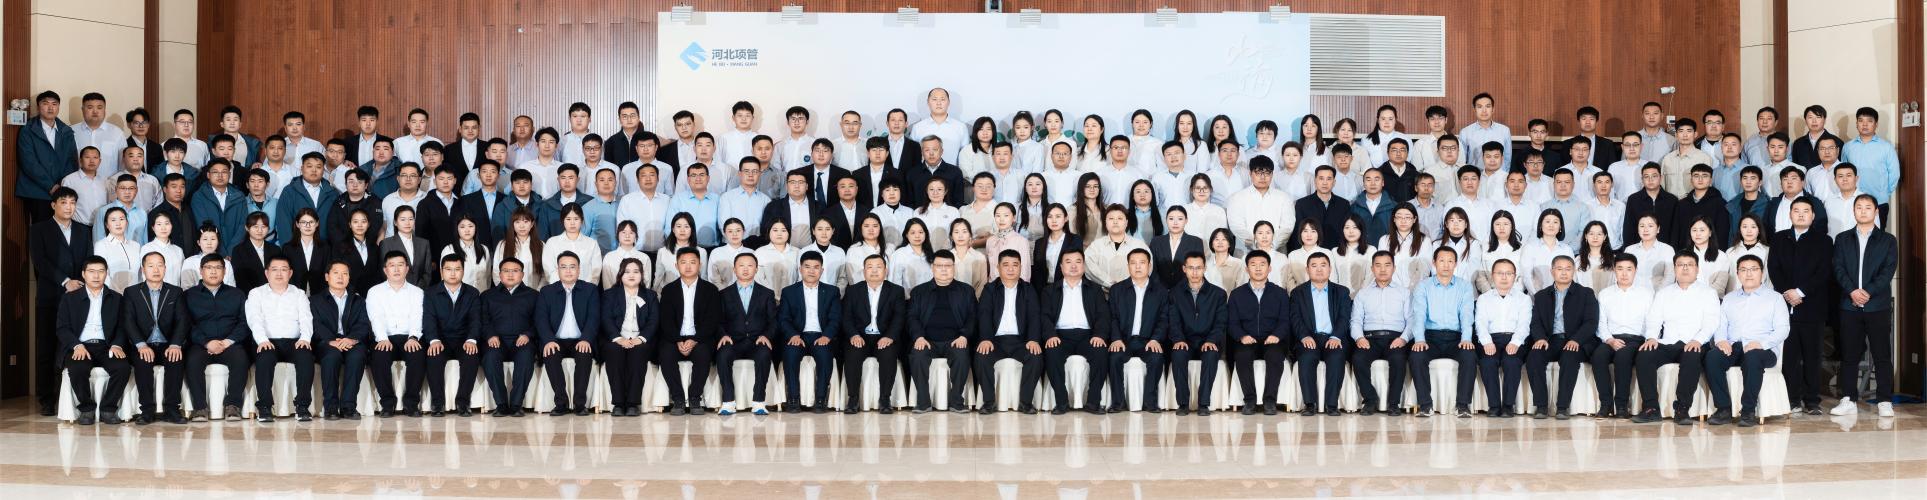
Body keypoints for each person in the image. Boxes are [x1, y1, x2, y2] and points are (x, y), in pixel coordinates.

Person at [1629, 252, 1720, 425]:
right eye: (1680, 265)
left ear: (1697, 269)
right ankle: (1651, 408)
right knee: (1645, 354)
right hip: (1669, 342)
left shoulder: (1708, 293)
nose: (1685, 268)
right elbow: (1654, 319)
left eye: (1689, 264)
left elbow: (1712, 321)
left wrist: (1698, 340)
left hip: (1695, 342)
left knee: (1692, 356)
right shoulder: (1664, 293)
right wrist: (1651, 337)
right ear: (1674, 268)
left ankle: (1682, 409)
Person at [1831, 194, 1897, 417]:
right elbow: (1838, 267)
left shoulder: (1888, 240)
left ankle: (1884, 400)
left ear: (1876, 211)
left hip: (1877, 305)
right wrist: (1852, 291)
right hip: (1849, 305)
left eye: (1868, 207)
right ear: (1854, 211)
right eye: (1858, 207)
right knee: (1849, 354)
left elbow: (1888, 271)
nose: (1863, 211)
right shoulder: (1842, 239)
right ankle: (1848, 398)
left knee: (1882, 354)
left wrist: (1867, 292)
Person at [1704, 255, 1788, 427]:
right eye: (1743, 270)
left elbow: (1783, 329)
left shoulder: (1775, 298)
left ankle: (1748, 410)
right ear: (1738, 274)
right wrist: (1721, 340)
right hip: (1734, 346)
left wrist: (1762, 344)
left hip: (1763, 349)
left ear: (1762, 273)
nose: (1748, 274)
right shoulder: (1730, 298)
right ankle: (1723, 408)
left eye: (1753, 269)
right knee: (1712, 357)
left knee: (1753, 357)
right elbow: (1720, 325)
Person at [1767, 197, 1831, 414]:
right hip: (1785, 306)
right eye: (1796, 210)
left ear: (1813, 216)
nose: (1801, 214)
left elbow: (1824, 272)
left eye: (1806, 211)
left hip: (1812, 306)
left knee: (1813, 356)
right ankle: (1792, 400)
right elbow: (1774, 268)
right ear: (1790, 214)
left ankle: (1812, 401)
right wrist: (1788, 292)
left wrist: (1801, 292)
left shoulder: (1824, 240)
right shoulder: (1779, 238)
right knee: (1790, 356)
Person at [967, 250, 1044, 414]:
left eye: (1015, 265)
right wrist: (985, 338)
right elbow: (984, 315)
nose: (1010, 269)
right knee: (981, 356)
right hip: (995, 341)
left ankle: (1025, 402)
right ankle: (989, 402)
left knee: (1036, 356)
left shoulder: (1028, 289)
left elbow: (1034, 316)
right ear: (998, 267)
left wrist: (1033, 339)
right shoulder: (990, 289)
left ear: (1021, 267)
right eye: (1006, 265)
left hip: (1021, 341)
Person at [55, 256, 129, 425]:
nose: (96, 276)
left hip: (107, 346)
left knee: (122, 368)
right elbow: (62, 328)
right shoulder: (69, 298)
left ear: (106, 273)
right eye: (91, 271)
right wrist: (76, 345)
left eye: (101, 271)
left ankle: (108, 409)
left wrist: (117, 344)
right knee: (77, 368)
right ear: (83, 274)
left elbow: (123, 326)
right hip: (80, 345)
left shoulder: (117, 298)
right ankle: (86, 409)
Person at [1407, 246, 1479, 417]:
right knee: (1416, 356)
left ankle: (1462, 405)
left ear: (1456, 264)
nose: (1446, 265)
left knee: (1470, 356)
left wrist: (1466, 338)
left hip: (1456, 338)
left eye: (1450, 261)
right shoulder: (1423, 286)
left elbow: (1467, 315)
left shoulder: (1464, 286)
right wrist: (1419, 339)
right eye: (1442, 261)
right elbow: (1419, 315)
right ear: (1434, 263)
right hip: (1430, 337)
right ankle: (1425, 405)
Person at [1037, 249, 1110, 415]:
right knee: (1052, 352)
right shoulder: (1049, 290)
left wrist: (1099, 335)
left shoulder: (1094, 289)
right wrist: (1050, 335)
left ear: (1083, 266)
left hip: (1088, 336)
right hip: (1060, 336)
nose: (1073, 266)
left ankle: (1093, 402)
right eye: (1068, 262)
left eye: (1078, 262)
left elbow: (1103, 316)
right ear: (1061, 267)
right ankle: (1061, 402)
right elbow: (1044, 316)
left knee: (1100, 352)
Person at [1525, 256, 1598, 419]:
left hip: (1576, 341)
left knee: (1570, 357)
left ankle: (1562, 407)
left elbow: (1591, 322)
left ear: (1574, 271)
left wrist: (1576, 340)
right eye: (1559, 269)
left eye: (1568, 269)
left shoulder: (1586, 293)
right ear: (1552, 271)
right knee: (1534, 357)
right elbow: (1535, 322)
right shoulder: (1541, 296)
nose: (1564, 273)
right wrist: (1540, 338)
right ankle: (1541, 407)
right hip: (1550, 340)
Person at [244, 254, 315, 422]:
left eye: (284, 270)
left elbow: (306, 318)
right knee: (265, 358)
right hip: (267, 341)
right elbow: (254, 319)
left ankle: (302, 406)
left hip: (294, 342)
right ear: (267, 273)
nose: (279, 274)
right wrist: (262, 340)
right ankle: (265, 407)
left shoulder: (299, 294)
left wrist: (305, 339)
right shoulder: (256, 293)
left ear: (290, 273)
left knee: (306, 356)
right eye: (274, 269)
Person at [121, 252, 189, 424]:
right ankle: (147, 411)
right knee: (142, 362)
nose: (156, 269)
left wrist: (175, 344)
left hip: (168, 344)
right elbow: (128, 321)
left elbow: (182, 320)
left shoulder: (175, 292)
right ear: (143, 269)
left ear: (165, 268)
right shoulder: (131, 292)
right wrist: (141, 345)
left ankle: (172, 409)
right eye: (151, 266)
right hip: (143, 343)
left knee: (176, 360)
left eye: (160, 265)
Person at [907, 250, 976, 413]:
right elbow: (911, 317)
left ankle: (956, 401)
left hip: (955, 340)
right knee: (917, 355)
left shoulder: (966, 291)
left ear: (954, 267)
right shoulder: (919, 291)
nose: (944, 269)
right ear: (932, 268)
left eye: (948, 266)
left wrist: (964, 335)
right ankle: (923, 402)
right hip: (927, 340)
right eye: (939, 266)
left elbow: (972, 317)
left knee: (961, 355)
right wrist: (918, 337)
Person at [183, 254, 249, 421]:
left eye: (218, 268)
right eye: (209, 268)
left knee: (241, 358)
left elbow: (244, 323)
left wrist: (227, 342)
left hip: (230, 343)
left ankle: (233, 405)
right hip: (201, 344)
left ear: (225, 271)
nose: (213, 272)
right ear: (201, 271)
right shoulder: (189, 295)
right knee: (192, 361)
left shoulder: (237, 294)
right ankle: (199, 407)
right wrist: (206, 342)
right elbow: (187, 325)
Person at [534, 251, 599, 416]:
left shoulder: (590, 290)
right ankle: (561, 403)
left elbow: (594, 318)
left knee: (584, 355)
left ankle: (580, 404)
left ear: (579, 269)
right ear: (558, 270)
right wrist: (548, 340)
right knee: (550, 354)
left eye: (572, 267)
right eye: (563, 267)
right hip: (555, 340)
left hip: (581, 339)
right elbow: (541, 319)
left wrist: (586, 339)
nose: (568, 271)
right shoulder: (547, 291)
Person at [364, 251, 429, 418]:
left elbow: (417, 316)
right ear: (385, 270)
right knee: (379, 356)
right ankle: (387, 404)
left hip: (409, 336)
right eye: (392, 265)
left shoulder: (417, 292)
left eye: (400, 265)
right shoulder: (374, 292)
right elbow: (375, 317)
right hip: (385, 337)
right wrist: (382, 338)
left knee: (417, 355)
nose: (396, 269)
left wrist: (413, 337)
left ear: (407, 268)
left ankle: (411, 404)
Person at [1107, 249, 1172, 412]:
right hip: (1124, 340)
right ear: (1128, 266)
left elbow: (1164, 319)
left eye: (1142, 263)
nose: (1137, 267)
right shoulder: (1117, 290)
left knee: (1156, 358)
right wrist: (1116, 338)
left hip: (1148, 340)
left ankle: (1150, 402)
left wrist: (1156, 339)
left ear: (1149, 266)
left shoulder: (1161, 291)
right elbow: (1112, 317)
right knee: (1114, 357)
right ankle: (1117, 403)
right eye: (1133, 263)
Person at [840, 254, 906, 413]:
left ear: (886, 271)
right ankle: (853, 399)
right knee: (852, 354)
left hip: (884, 336)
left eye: (879, 267)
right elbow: (846, 317)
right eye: (870, 267)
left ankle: (885, 399)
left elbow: (899, 317)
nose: (874, 271)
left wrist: (889, 336)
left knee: (888, 355)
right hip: (860, 336)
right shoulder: (853, 290)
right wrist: (854, 335)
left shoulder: (896, 291)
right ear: (864, 271)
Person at [1228, 250, 1289, 415]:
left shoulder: (1280, 293)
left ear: (1269, 268)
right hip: (1247, 339)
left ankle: (1270, 401)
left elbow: (1285, 320)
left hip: (1272, 340)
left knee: (1275, 355)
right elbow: (1232, 322)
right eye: (1253, 265)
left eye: (1262, 264)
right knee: (1242, 355)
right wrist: (1242, 336)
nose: (1258, 268)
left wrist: (1277, 335)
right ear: (1246, 269)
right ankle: (1249, 401)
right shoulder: (1236, 294)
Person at [1166, 252, 1228, 415]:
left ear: (1205, 269)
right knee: (1178, 354)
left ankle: (1203, 403)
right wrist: (1178, 339)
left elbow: (1220, 322)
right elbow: (1173, 321)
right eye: (1191, 268)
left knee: (1211, 354)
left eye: (1199, 268)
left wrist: (1212, 340)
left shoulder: (1218, 294)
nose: (1195, 272)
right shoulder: (1174, 293)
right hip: (1185, 340)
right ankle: (1183, 403)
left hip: (1208, 340)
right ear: (1184, 269)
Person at [1288, 253, 1350, 415]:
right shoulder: (1297, 293)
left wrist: (1336, 336)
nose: (1319, 269)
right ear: (1307, 270)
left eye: (1323, 265)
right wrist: (1304, 336)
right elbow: (1295, 318)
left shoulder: (1342, 292)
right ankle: (1310, 404)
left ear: (1330, 269)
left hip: (1333, 338)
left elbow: (1345, 317)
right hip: (1309, 338)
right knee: (1307, 357)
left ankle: (1332, 405)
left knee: (1336, 358)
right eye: (1314, 266)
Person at [779, 252, 841, 413]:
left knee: (825, 356)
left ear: (822, 270)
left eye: (816, 267)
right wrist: (793, 335)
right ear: (800, 269)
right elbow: (784, 319)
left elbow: (835, 318)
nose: (811, 271)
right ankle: (793, 399)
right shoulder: (789, 291)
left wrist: (827, 336)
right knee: (790, 354)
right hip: (798, 335)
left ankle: (820, 399)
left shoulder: (832, 291)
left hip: (821, 335)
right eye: (807, 267)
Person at [1350, 251, 1411, 415]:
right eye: (1378, 265)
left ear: (1394, 268)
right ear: (1372, 268)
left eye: (1387, 265)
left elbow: (1411, 320)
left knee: (1398, 359)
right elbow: (1355, 320)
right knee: (1358, 358)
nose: (1382, 269)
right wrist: (1359, 337)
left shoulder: (1404, 293)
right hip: (1370, 339)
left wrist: (1404, 339)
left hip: (1395, 338)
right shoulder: (1363, 293)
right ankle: (1370, 400)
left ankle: (1394, 403)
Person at [1590, 254, 1650, 418]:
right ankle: (1606, 404)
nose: (1624, 273)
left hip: (1635, 339)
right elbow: (1601, 322)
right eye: (1620, 269)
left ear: (1635, 271)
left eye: (1629, 269)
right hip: (1611, 338)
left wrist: (1647, 339)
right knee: (1598, 356)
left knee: (1623, 357)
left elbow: (1651, 321)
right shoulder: (1605, 294)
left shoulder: (1646, 294)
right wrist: (1610, 340)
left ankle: (1622, 406)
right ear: (1614, 270)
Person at [423, 254, 483, 417]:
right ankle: (437, 403)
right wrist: (434, 340)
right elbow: (428, 319)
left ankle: (463, 403)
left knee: (471, 357)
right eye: (448, 269)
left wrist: (471, 339)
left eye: (457, 269)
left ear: (463, 271)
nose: (453, 273)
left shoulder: (472, 293)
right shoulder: (431, 292)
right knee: (433, 357)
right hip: (440, 340)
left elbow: (475, 320)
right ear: (441, 272)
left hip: (464, 340)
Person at [479, 257, 539, 417]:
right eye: (506, 271)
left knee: (526, 356)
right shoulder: (488, 295)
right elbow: (483, 320)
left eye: (515, 271)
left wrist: (528, 334)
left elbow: (539, 321)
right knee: (490, 357)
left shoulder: (533, 295)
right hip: (496, 341)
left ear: (522, 274)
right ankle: (501, 404)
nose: (510, 274)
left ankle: (516, 404)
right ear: (499, 274)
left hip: (522, 341)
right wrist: (490, 335)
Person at [311, 260, 369, 421]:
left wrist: (352, 339)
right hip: (327, 342)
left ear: (349, 278)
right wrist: (330, 340)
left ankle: (348, 407)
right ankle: (330, 407)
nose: (340, 277)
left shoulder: (358, 300)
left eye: (345, 274)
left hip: (351, 341)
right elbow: (315, 324)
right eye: (336, 273)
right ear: (327, 277)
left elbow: (364, 324)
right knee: (331, 356)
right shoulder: (315, 300)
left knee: (357, 356)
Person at [1473, 259, 1531, 417]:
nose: (1504, 277)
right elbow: (1480, 323)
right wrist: (1486, 342)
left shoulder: (1523, 299)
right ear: (1493, 276)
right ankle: (1493, 406)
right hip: (1491, 339)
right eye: (1500, 273)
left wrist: (1515, 342)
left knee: (1512, 361)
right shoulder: (1484, 299)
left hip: (1515, 339)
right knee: (1487, 361)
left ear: (1515, 276)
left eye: (1508, 273)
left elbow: (1524, 324)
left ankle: (1508, 405)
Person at [600, 258, 657, 417]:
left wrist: (641, 338)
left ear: (642, 275)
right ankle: (618, 403)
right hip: (616, 339)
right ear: (620, 275)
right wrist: (619, 339)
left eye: (636, 271)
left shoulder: (650, 295)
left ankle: (632, 403)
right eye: (627, 271)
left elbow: (654, 321)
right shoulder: (610, 294)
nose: (631, 275)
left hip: (640, 340)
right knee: (614, 352)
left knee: (639, 353)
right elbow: (606, 319)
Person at [16, 91, 78, 223]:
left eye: (54, 104)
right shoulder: (28, 129)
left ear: (58, 107)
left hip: (62, 191)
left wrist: (63, 186)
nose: (50, 108)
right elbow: (29, 162)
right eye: (45, 103)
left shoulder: (66, 131)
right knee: (41, 229)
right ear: (38, 107)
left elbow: (72, 161)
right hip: (36, 191)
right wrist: (51, 186)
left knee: (62, 229)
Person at [1227, 157, 1294, 251]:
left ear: (1272, 174)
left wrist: (1272, 246)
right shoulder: (1237, 198)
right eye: (1258, 173)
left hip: (1276, 252)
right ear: (1250, 174)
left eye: (1267, 173)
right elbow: (1237, 226)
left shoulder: (1284, 198)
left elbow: (1287, 227)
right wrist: (1256, 245)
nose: (1263, 177)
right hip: (1246, 252)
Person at [1148, 206, 1205, 289]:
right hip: (1159, 290)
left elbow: (1198, 268)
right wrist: (1160, 289)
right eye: (1171, 219)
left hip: (1186, 290)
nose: (1175, 223)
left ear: (1186, 220)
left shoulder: (1196, 242)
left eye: (1180, 219)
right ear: (1166, 220)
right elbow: (1152, 269)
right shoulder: (1156, 241)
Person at [378, 205, 433, 287]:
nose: (407, 223)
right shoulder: (386, 243)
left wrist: (418, 289)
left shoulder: (424, 243)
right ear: (395, 222)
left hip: (420, 290)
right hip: (395, 290)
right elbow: (384, 272)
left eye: (411, 219)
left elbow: (427, 272)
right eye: (403, 219)